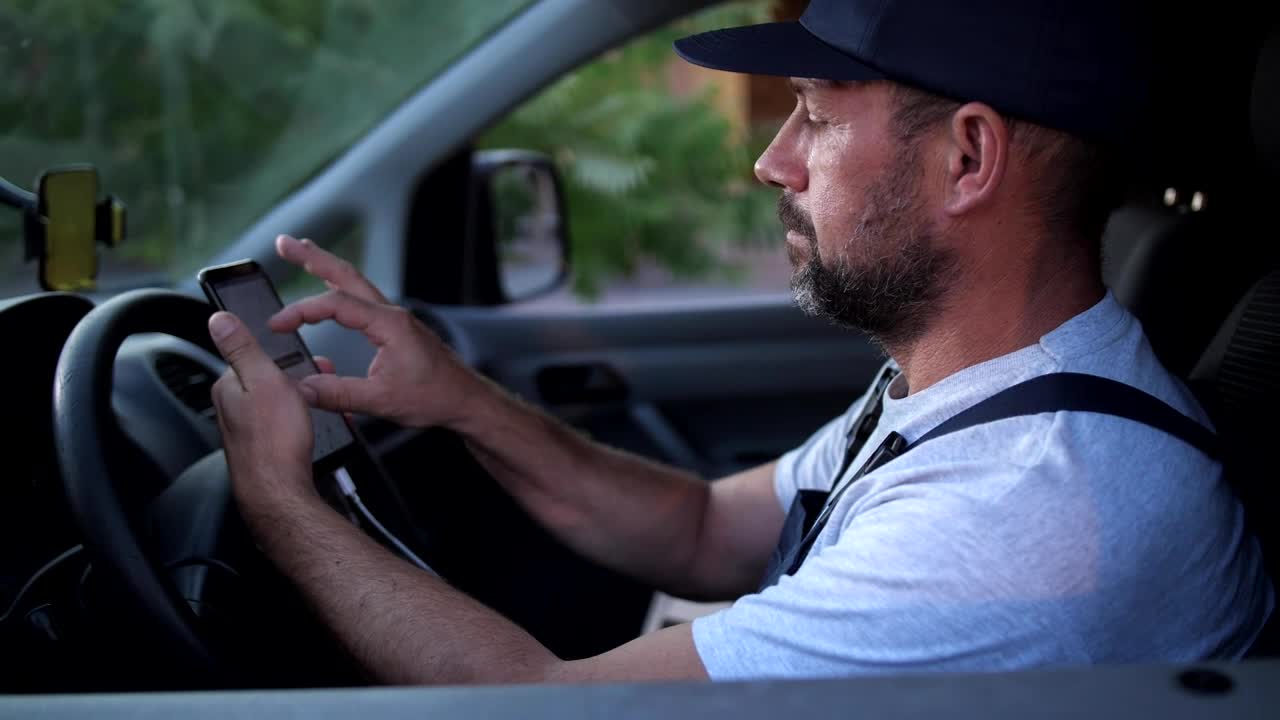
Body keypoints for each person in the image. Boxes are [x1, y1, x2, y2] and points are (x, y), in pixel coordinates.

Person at [206, 0, 1273, 685]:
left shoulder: (1023, 508)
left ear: (967, 158)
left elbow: (544, 709)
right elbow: (703, 526)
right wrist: (458, 399)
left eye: (811, 114)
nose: (772, 161)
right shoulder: (973, 389)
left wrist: (276, 503)